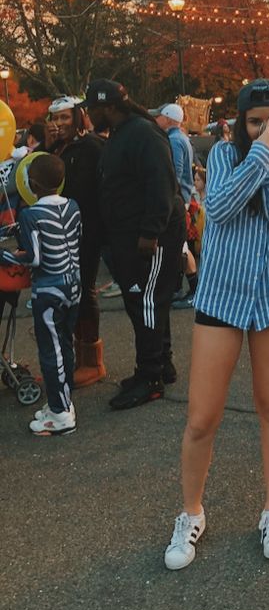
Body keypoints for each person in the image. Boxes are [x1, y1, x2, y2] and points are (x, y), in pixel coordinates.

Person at [164, 80, 269, 569]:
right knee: (202, 415)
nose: (266, 129)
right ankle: (190, 512)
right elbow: (219, 207)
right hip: (221, 294)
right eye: (255, 121)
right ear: (241, 123)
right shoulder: (224, 155)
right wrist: (263, 158)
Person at [85, 79, 186, 410]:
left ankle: (150, 377)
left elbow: (162, 184)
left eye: (92, 108)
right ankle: (162, 363)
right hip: (130, 235)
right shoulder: (121, 133)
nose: (89, 114)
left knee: (146, 302)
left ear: (109, 108)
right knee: (146, 302)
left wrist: (150, 232)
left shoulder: (141, 132)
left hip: (152, 236)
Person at [1, 154, 81, 435]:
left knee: (51, 350)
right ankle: (63, 402)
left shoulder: (31, 214)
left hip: (49, 289)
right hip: (74, 285)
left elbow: (34, 258)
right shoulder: (72, 206)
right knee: (65, 345)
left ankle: (61, 415)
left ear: (32, 184)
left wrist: (6, 254)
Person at [47, 96, 106, 386]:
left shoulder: (91, 146)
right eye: (55, 118)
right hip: (57, 231)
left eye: (65, 118)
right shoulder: (54, 148)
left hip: (85, 230)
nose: (59, 124)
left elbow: (88, 190)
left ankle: (91, 360)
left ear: (78, 117)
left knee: (83, 288)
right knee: (63, 291)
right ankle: (69, 358)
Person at [154, 103, 198, 309]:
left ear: (169, 119)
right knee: (180, 246)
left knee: (181, 246)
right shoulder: (182, 138)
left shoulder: (173, 140)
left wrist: (170, 197)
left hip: (178, 198)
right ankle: (181, 289)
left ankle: (194, 290)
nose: (157, 119)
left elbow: (176, 172)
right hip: (184, 196)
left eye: (160, 116)